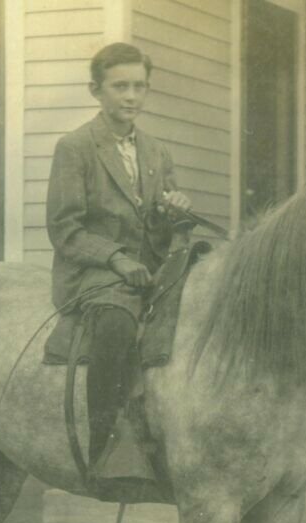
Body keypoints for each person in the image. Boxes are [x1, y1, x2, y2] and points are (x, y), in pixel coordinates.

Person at [46, 43, 191, 475]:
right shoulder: (75, 147)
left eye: (140, 87)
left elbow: (160, 229)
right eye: (120, 86)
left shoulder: (156, 151)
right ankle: (107, 447)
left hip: (149, 270)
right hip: (94, 274)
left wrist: (173, 212)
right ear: (96, 91)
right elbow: (65, 228)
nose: (131, 96)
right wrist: (115, 260)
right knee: (116, 323)